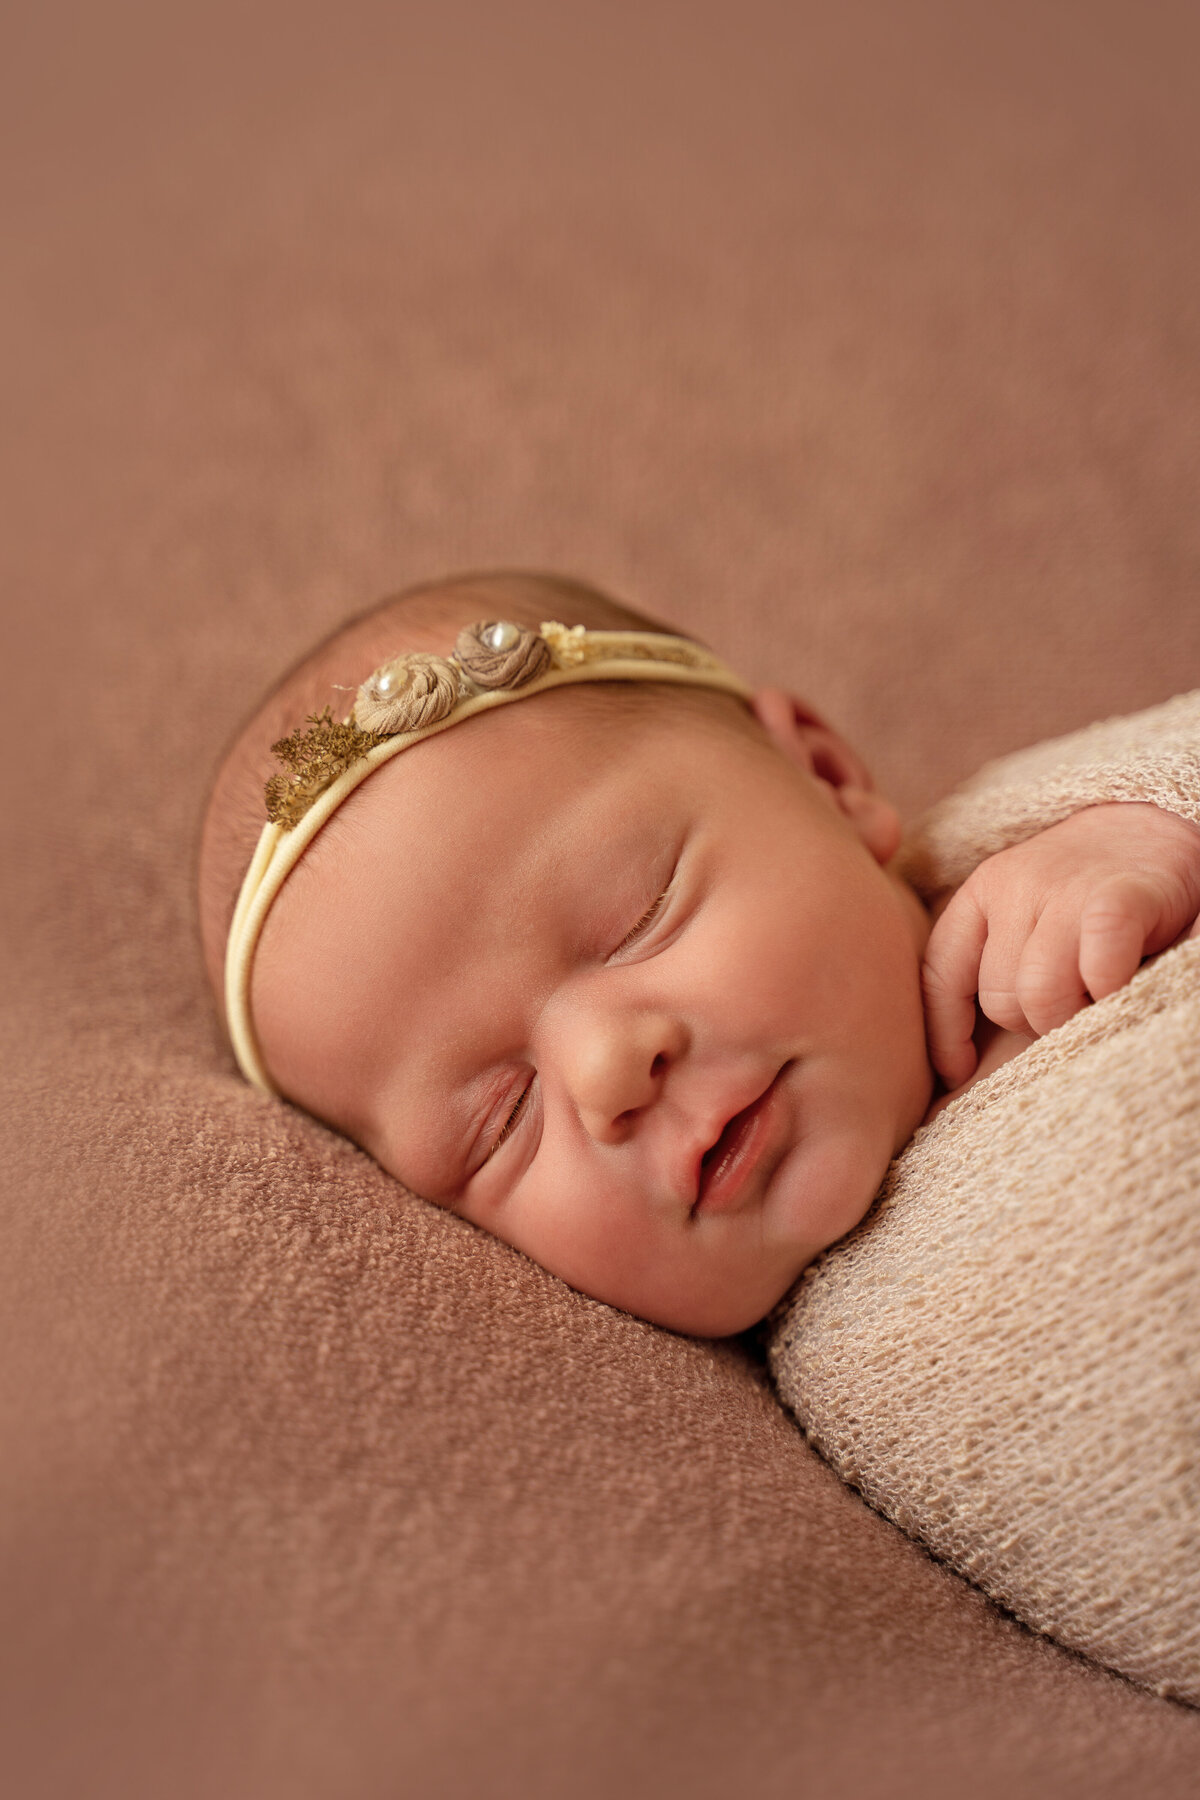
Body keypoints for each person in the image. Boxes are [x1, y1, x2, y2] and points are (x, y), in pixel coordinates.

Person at [198, 570, 1200, 1336]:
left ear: (823, 773)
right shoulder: (834, 1405)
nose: (606, 1069)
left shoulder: (1048, 853)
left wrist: (1152, 828)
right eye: (502, 1121)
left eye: (643, 914)